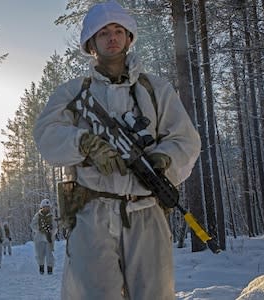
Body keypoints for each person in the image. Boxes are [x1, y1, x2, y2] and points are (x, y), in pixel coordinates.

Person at [33, 1, 201, 299]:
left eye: (118, 30)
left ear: (128, 37)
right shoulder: (73, 93)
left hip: (147, 211)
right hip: (93, 214)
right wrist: (83, 143)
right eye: (103, 33)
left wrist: (165, 160)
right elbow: (46, 136)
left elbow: (186, 140)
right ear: (91, 43)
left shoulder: (155, 89)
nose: (112, 37)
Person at [30, 199, 57, 275]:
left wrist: (50, 231)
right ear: (42, 207)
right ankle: (41, 267)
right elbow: (32, 225)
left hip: (49, 239)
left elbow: (55, 227)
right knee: (40, 254)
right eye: (45, 207)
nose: (46, 208)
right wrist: (40, 228)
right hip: (39, 238)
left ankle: (50, 269)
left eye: (48, 207)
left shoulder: (52, 216)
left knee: (49, 255)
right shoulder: (37, 216)